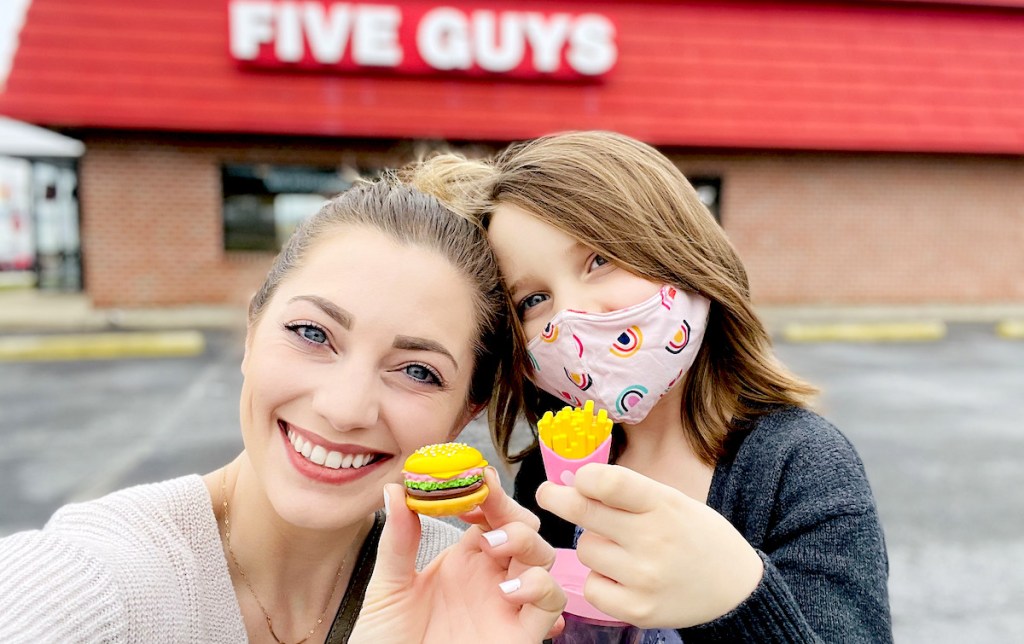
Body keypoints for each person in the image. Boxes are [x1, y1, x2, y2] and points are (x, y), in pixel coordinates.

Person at [0, 176, 565, 643]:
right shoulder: (91, 587)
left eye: (418, 371)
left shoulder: (465, 590)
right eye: (312, 333)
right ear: (251, 333)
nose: (344, 409)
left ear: (464, 414)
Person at [405, 131, 893, 643]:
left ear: (678, 247)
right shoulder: (546, 473)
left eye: (598, 260)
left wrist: (739, 594)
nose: (574, 315)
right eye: (532, 300)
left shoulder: (801, 465)